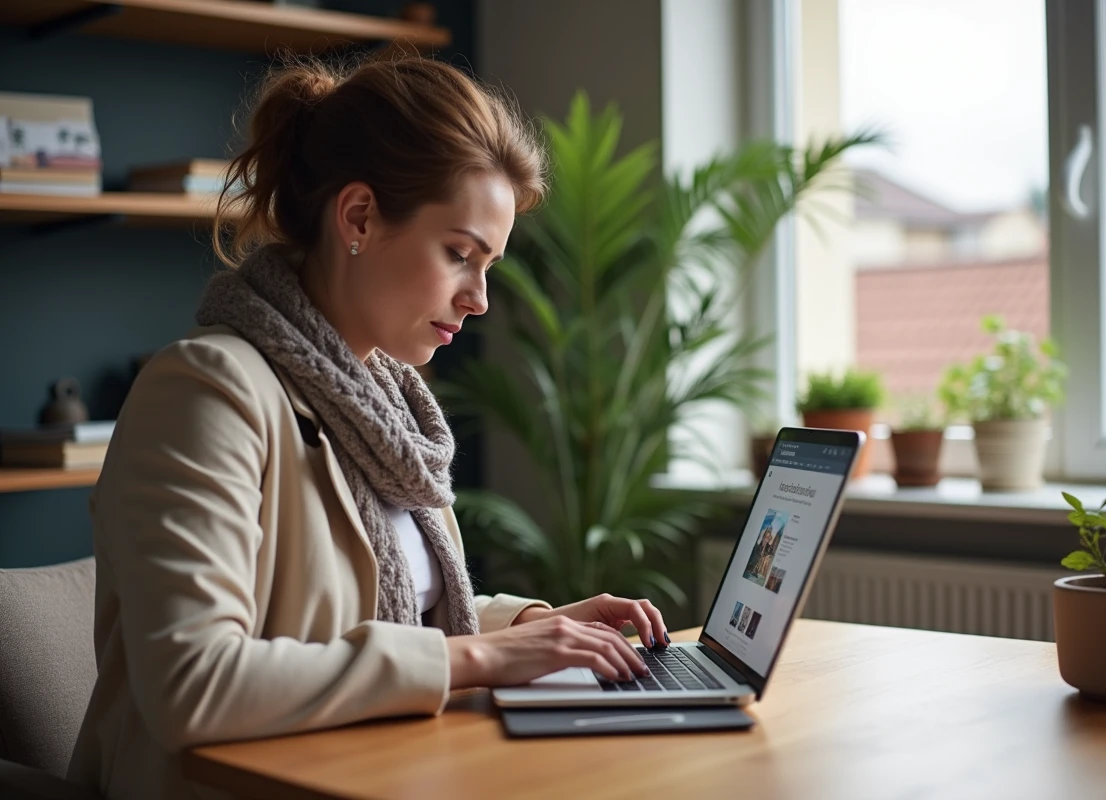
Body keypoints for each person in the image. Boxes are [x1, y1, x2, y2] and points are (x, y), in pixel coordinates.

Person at [67, 55, 667, 800]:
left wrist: (532, 630)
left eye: (490, 266)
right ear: (358, 218)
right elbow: (197, 683)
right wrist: (478, 662)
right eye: (459, 254)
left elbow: (370, 614)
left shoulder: (387, 408)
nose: (479, 299)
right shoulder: (205, 392)